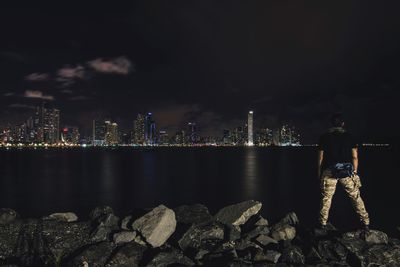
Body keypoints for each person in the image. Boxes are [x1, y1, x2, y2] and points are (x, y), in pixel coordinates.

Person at [317, 113, 370, 231]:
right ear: (343, 124)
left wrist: (319, 172)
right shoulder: (350, 137)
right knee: (355, 196)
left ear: (332, 124)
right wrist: (354, 172)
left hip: (329, 171)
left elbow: (320, 158)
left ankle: (322, 224)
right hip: (346, 171)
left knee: (326, 198)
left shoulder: (324, 137)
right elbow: (355, 157)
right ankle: (365, 222)